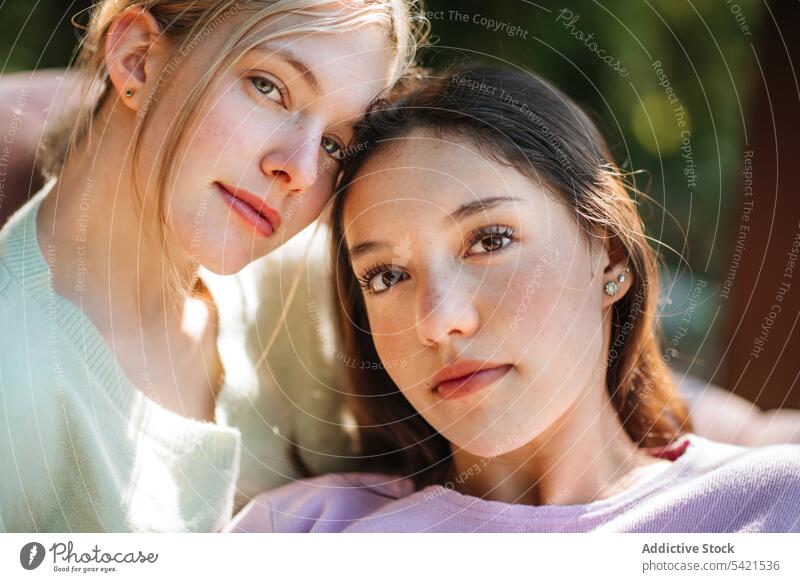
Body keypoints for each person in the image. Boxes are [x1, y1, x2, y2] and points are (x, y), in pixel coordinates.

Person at [225, 66, 800, 533]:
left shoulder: (772, 505)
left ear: (611, 258)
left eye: (489, 241)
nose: (440, 320)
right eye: (385, 276)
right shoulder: (302, 531)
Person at [0, 0, 428, 532]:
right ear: (138, 59)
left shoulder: (331, 292)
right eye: (268, 87)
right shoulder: (14, 381)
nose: (298, 169)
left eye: (335, 143)